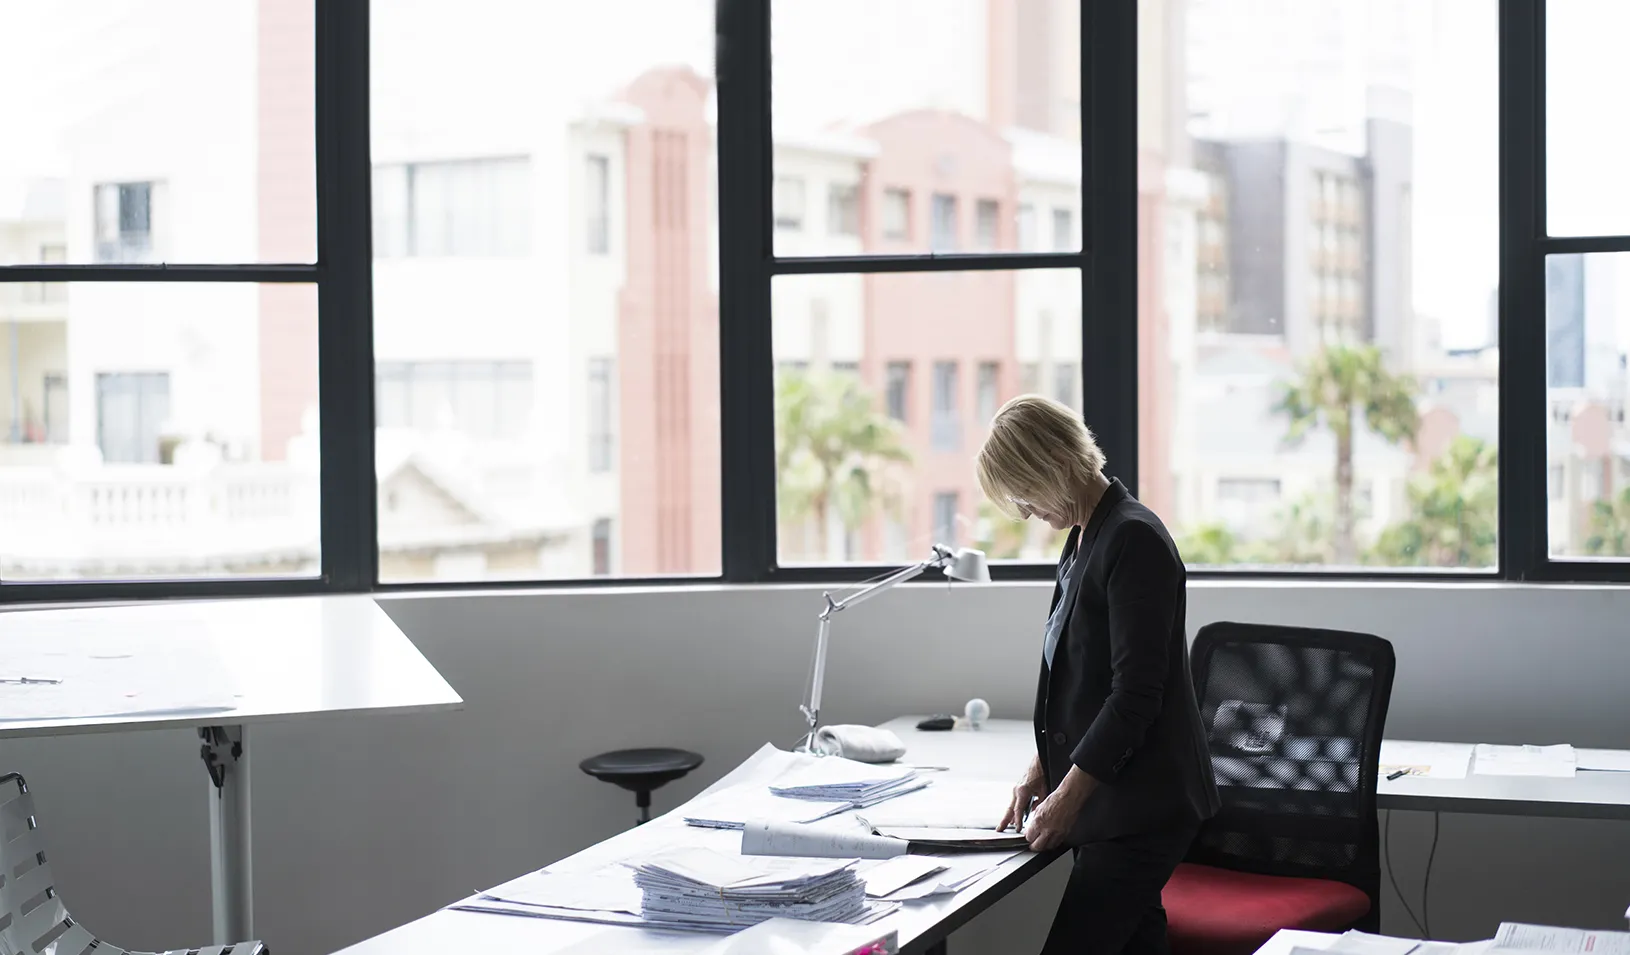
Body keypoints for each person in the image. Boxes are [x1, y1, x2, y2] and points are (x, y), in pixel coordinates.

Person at [977, 394, 1219, 955]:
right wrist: (1041, 769)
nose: (1023, 511)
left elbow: (1135, 694)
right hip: (1115, 800)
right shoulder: (1084, 537)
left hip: (1145, 806)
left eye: (1023, 491)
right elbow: (1078, 682)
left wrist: (1068, 795)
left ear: (1053, 465)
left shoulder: (1132, 539)